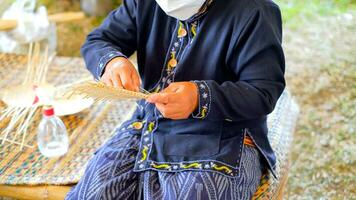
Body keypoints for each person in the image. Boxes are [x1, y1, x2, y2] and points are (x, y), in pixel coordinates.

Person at [65, 0, 285, 199]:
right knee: (92, 193)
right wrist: (112, 62)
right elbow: (99, 40)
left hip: (222, 136)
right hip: (149, 125)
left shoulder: (255, 11)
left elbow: (263, 91)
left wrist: (199, 97)